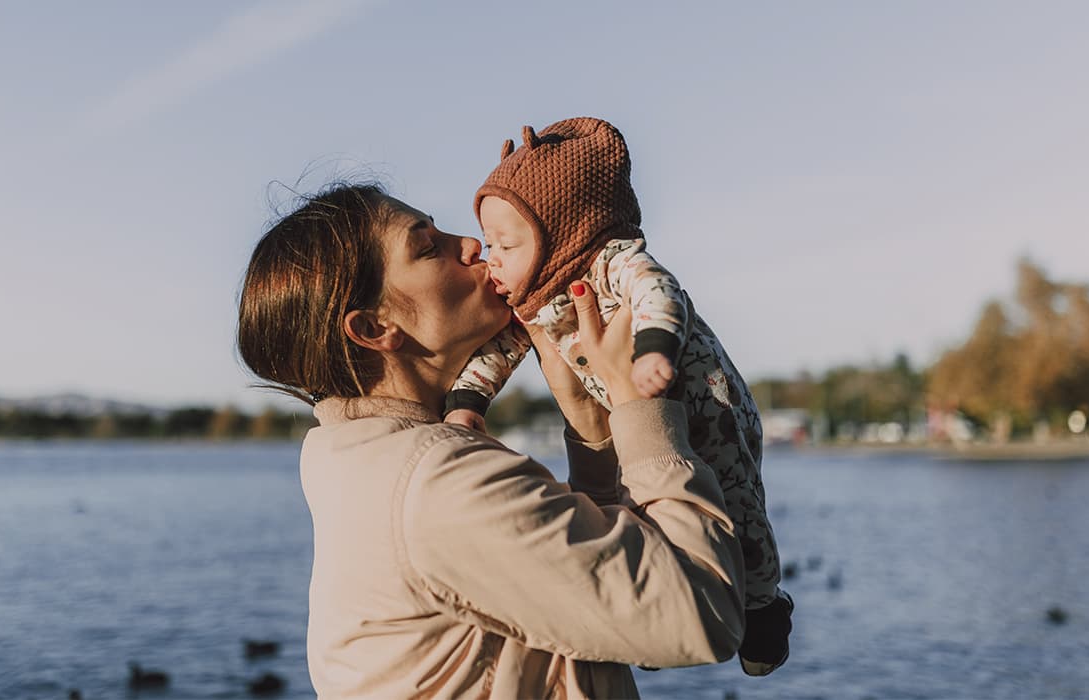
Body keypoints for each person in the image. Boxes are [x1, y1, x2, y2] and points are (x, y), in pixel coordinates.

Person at [237, 181, 747, 698]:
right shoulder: (437, 482)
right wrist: (638, 401)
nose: (472, 245)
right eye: (428, 247)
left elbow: (607, 613)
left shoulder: (358, 461)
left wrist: (589, 429)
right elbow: (703, 613)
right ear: (373, 327)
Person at [442, 117, 793, 675]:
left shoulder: (609, 262)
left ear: (565, 232)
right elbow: (497, 352)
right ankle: (655, 620)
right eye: (490, 243)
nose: (493, 259)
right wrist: (467, 402)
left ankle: (764, 605)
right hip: (640, 420)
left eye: (507, 244)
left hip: (709, 404)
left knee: (738, 500)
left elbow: (658, 290)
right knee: (639, 505)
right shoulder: (531, 299)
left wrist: (654, 348)